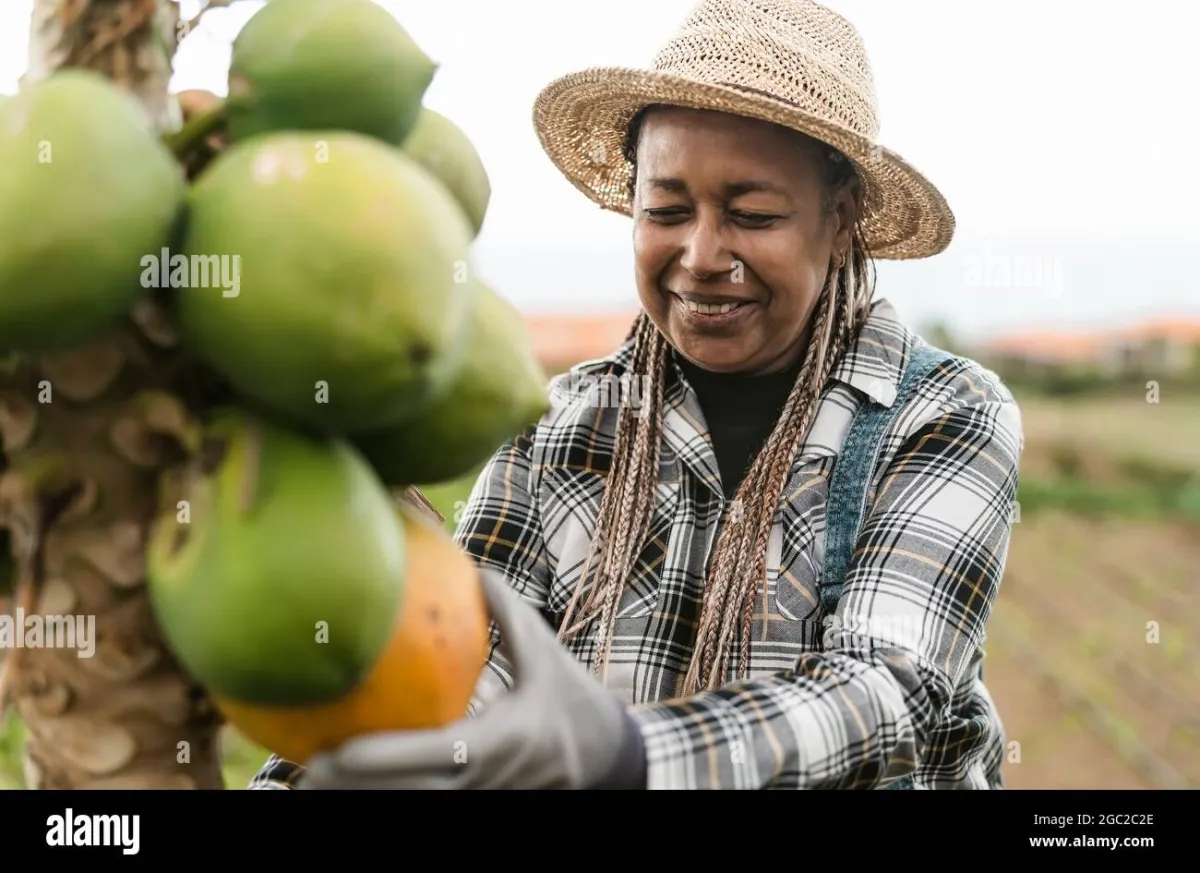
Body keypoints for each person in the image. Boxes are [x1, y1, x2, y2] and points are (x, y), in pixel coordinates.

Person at [249, 0, 1023, 791]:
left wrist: (623, 753)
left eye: (753, 214)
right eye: (667, 210)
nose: (703, 254)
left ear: (842, 216)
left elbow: (887, 693)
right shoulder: (558, 429)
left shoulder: (943, 414)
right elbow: (461, 663)